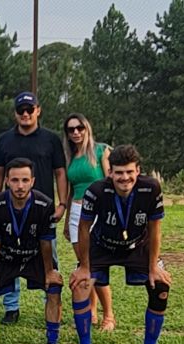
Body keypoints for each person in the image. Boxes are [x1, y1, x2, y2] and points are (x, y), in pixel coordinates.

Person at [68, 144, 171, 344]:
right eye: (119, 172)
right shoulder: (96, 191)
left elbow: (155, 229)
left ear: (138, 170)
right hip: (102, 245)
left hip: (137, 245)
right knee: (80, 285)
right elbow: (84, 227)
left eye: (129, 172)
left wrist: (154, 266)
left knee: (161, 286)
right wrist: (84, 266)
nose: (124, 178)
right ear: (110, 172)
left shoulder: (151, 188)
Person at [0, 92, 68, 325]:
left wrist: (62, 203)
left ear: (38, 110)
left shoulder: (51, 139)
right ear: (15, 113)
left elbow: (60, 172)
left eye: (29, 109)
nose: (25, 114)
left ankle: (51, 300)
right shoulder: (5, 139)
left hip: (42, 211)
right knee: (8, 255)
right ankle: (11, 308)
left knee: (48, 255)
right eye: (21, 110)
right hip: (9, 210)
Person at [0, 158, 65, 344]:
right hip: (6, 256)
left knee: (54, 287)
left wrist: (50, 270)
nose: (20, 186)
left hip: (34, 256)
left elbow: (46, 241)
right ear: (7, 181)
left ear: (33, 181)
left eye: (25, 180)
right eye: (15, 180)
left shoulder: (45, 204)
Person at [62, 113, 115, 330]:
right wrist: (66, 220)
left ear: (87, 128)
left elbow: (112, 183)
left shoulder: (102, 151)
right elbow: (70, 190)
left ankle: (109, 315)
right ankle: (91, 308)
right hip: (76, 212)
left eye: (79, 128)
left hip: (97, 212)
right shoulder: (70, 157)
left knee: (95, 265)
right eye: (71, 129)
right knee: (84, 265)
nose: (75, 132)